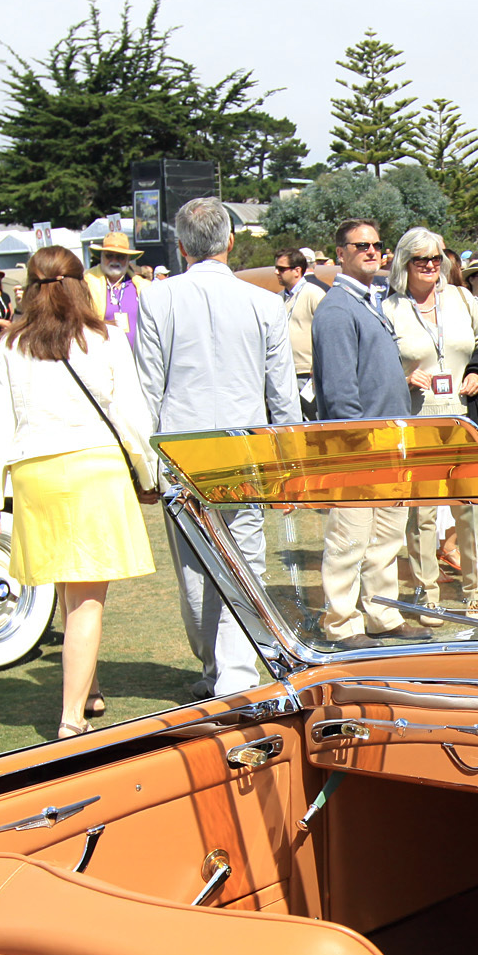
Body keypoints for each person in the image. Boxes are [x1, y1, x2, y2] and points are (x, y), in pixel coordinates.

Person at [0, 245, 158, 737]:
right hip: (92, 468)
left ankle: (90, 689)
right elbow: (133, 419)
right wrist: (151, 477)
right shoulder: (106, 338)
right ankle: (70, 718)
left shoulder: (12, 344)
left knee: (68, 584)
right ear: (83, 285)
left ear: (31, 289)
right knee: (86, 598)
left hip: (35, 472)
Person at [135, 196, 299, 700]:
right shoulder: (265, 302)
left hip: (182, 451)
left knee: (194, 564)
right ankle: (233, 671)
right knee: (244, 560)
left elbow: (147, 389)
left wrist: (145, 467)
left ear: (182, 246)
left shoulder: (158, 298)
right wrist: (291, 463)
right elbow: (283, 395)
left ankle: (219, 669)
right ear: (230, 242)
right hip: (241, 449)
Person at [309, 217, 430, 649]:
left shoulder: (371, 301)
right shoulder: (338, 308)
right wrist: (358, 450)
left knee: (386, 538)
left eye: (377, 245)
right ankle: (341, 623)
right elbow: (340, 393)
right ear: (339, 252)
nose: (370, 251)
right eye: (360, 245)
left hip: (391, 439)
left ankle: (382, 615)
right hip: (360, 446)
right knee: (350, 538)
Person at [386, 225, 478, 621]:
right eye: (421, 259)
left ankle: (475, 592)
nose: (431, 265)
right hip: (418, 419)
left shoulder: (463, 299)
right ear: (405, 264)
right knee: (423, 513)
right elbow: (380, 366)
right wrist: (403, 377)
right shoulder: (390, 309)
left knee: (472, 509)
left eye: (437, 257)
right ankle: (426, 592)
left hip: (464, 416)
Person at [275, 247, 326, 412]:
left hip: (307, 373)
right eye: (276, 268)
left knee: (313, 421)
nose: (276, 272)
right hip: (284, 372)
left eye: (282, 269)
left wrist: (318, 365)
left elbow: (326, 333)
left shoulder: (313, 294)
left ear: (297, 271)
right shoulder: (278, 298)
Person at [83, 232, 144, 348]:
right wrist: (100, 326)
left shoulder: (142, 287)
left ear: (128, 259)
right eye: (109, 256)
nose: (114, 261)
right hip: (101, 356)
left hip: (136, 358)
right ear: (101, 257)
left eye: (120, 257)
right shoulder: (86, 283)